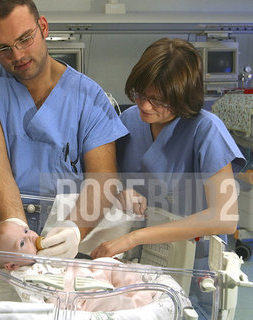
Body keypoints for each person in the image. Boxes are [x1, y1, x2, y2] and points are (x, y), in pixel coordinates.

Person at [0, 0, 129, 257]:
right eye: (3, 49)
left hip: (61, 238)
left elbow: (103, 179)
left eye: (25, 39)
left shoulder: (89, 96)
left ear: (43, 27)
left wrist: (74, 229)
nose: (18, 56)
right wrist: (17, 231)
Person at [91, 37, 245, 260]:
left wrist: (136, 238)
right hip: (138, 256)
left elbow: (224, 217)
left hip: (193, 260)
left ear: (184, 97)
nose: (144, 105)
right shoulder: (130, 120)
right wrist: (120, 194)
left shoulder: (206, 130)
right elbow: (110, 182)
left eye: (158, 101)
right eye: (140, 93)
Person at [0, 220, 171, 313]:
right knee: (109, 303)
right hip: (79, 298)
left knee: (108, 264)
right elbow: (36, 307)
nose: (31, 236)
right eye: (22, 243)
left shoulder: (40, 255)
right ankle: (138, 302)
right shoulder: (24, 277)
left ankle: (135, 285)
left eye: (26, 230)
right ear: (11, 265)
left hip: (86, 274)